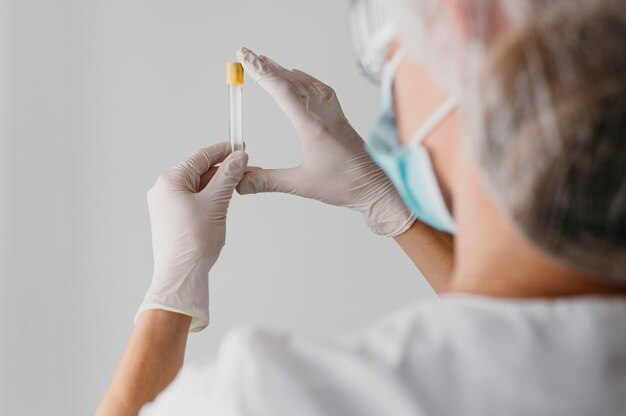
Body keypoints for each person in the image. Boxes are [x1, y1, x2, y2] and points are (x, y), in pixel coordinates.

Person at [96, 0, 626, 414]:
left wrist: (172, 289)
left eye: (391, 63)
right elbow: (522, 333)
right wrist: (390, 206)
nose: (390, 96)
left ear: (466, 31)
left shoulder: (271, 398)